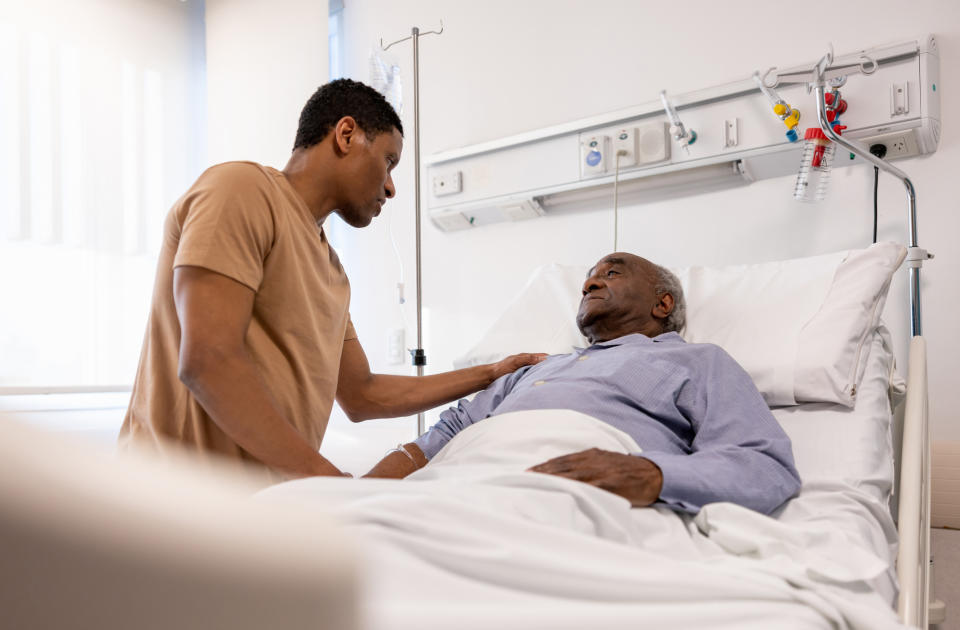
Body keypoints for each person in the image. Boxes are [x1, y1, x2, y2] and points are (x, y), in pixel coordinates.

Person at [118, 79, 543, 481]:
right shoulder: (242, 190)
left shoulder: (331, 271)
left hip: (254, 510)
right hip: (168, 496)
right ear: (346, 135)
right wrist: (326, 481)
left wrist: (492, 373)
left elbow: (364, 394)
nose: (391, 188)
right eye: (389, 161)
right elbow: (207, 361)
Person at [364, 252, 802, 515]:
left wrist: (653, 475)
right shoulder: (532, 369)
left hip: (571, 489)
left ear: (662, 303)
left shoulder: (698, 360)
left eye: (612, 272)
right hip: (455, 485)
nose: (590, 281)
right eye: (589, 277)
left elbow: (763, 465)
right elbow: (440, 437)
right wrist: (355, 493)